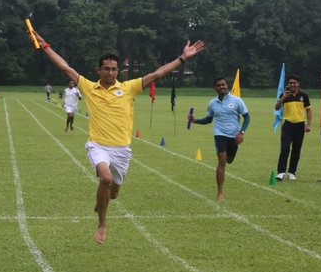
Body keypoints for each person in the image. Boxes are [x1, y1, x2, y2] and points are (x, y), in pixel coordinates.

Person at [34, 29, 205, 244]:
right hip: (98, 146)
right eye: (106, 69)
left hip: (122, 150)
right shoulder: (88, 87)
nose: (110, 72)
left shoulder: (128, 88)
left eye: (114, 69)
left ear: (118, 71)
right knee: (105, 179)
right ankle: (102, 224)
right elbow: (64, 67)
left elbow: (157, 74)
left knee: (113, 193)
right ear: (98, 70)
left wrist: (183, 58)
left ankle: (103, 200)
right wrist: (45, 46)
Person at [189, 76, 250, 202]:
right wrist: (196, 121)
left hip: (234, 135)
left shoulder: (237, 100)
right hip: (219, 134)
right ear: (214, 88)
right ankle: (220, 192)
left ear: (227, 86)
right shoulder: (212, 103)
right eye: (219, 85)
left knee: (229, 160)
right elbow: (208, 119)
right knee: (222, 159)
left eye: (223, 84)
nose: (221, 87)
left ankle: (228, 157)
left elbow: (247, 117)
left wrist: (241, 132)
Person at [274, 74, 310, 181]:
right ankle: (281, 172)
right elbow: (277, 107)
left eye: (294, 83)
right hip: (288, 125)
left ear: (298, 84)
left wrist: (308, 125)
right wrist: (283, 97)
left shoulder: (303, 95)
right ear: (288, 84)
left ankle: (292, 172)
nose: (292, 85)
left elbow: (308, 111)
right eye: (290, 83)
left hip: (300, 125)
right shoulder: (285, 95)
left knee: (296, 149)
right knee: (285, 148)